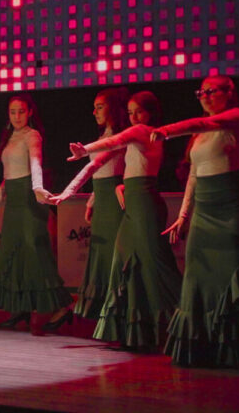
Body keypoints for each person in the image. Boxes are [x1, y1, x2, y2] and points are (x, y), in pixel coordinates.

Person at [152, 76, 239, 369]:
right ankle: (203, 349)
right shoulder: (199, 136)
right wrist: (184, 214)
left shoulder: (236, 117)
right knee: (197, 276)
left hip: (229, 207)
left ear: (229, 93)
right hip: (204, 209)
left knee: (233, 280)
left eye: (211, 91)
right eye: (201, 92)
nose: (205, 96)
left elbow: (203, 123)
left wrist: (166, 130)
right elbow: (193, 174)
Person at [63, 91, 182, 351]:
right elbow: (101, 163)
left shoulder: (144, 131)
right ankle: (135, 330)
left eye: (139, 111)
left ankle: (187, 319)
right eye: (130, 112)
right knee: (123, 264)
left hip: (145, 206)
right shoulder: (132, 136)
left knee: (156, 266)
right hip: (132, 204)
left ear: (150, 113)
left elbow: (113, 142)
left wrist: (85, 149)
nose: (134, 117)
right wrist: (69, 192)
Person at [0, 95, 73, 331]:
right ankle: (21, 306)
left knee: (35, 252)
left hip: (30, 198)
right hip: (13, 202)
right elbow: (8, 176)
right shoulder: (10, 137)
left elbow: (35, 163)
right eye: (13, 112)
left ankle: (62, 307)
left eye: (21, 111)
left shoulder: (33, 135)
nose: (17, 116)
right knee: (13, 252)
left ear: (30, 112)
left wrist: (38, 187)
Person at [49, 88, 127, 320]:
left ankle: (119, 311)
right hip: (102, 199)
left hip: (115, 200)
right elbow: (98, 171)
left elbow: (113, 169)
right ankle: (104, 312)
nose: (94, 112)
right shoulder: (105, 136)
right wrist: (92, 200)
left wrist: (84, 154)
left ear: (114, 107)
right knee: (101, 254)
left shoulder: (122, 135)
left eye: (100, 106)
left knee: (115, 254)